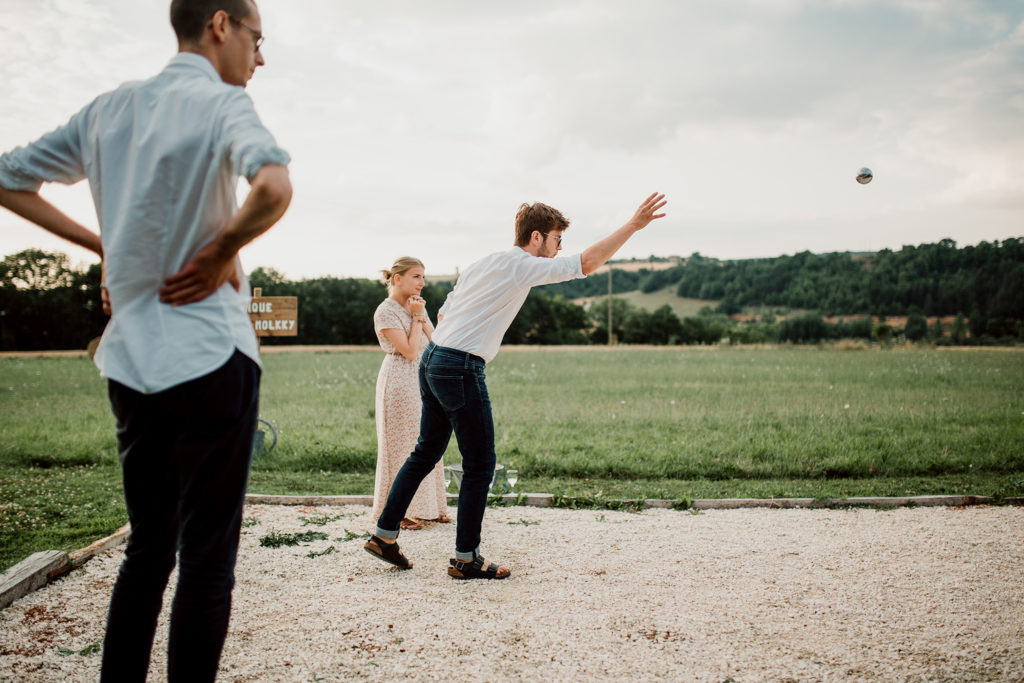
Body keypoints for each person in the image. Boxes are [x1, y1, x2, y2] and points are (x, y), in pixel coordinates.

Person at [0, 1, 292, 679]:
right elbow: (274, 187)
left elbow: (9, 177)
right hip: (212, 355)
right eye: (257, 37)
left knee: (147, 550)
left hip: (131, 365)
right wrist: (223, 250)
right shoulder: (223, 105)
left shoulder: (108, 110)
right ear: (221, 24)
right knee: (208, 556)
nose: (260, 55)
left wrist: (105, 242)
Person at [364, 192, 666, 580]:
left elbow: (444, 311)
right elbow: (586, 264)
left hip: (433, 359)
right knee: (479, 465)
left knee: (425, 452)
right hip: (459, 365)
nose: (559, 250)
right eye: (557, 241)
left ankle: (384, 535)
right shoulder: (522, 264)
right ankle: (466, 558)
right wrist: (634, 225)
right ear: (536, 237)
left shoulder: (485, 262)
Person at [372, 257, 450, 530]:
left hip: (423, 380)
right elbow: (408, 349)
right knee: (401, 445)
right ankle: (399, 511)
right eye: (416, 276)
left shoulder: (417, 304)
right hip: (399, 381)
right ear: (398, 278)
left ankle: (432, 506)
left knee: (428, 440)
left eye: (423, 277)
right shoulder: (385, 311)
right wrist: (417, 318)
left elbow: (437, 339)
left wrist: (424, 317)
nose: (422, 283)